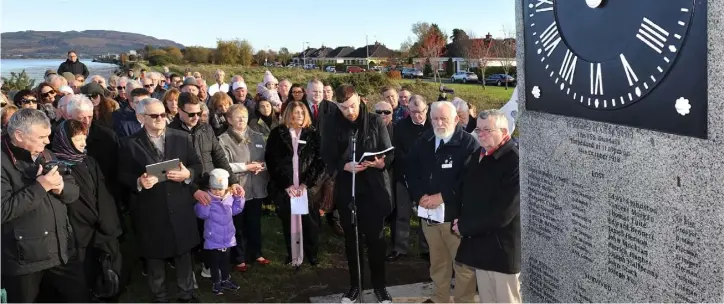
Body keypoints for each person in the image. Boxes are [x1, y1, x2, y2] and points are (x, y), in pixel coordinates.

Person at [117, 98, 203, 303]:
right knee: (154, 256)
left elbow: (197, 165)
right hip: (150, 209)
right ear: (140, 117)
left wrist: (187, 174)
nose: (160, 119)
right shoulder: (129, 143)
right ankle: (160, 297)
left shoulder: (181, 137)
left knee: (183, 253)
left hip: (180, 206)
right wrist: (138, 181)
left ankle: (187, 294)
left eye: (163, 114)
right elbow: (121, 174)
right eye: (154, 115)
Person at [1, 109, 86, 302]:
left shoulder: (46, 154)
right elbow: (3, 210)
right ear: (19, 135)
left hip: (62, 252)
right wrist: (41, 187)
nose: (47, 141)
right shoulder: (2, 161)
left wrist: (60, 188)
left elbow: (74, 192)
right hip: (24, 261)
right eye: (41, 137)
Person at [320, 85, 394, 303]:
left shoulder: (374, 121)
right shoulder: (332, 123)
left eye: (352, 106)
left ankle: (380, 287)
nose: (349, 111)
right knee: (352, 242)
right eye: (343, 108)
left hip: (373, 190)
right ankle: (355, 286)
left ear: (360, 100)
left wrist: (381, 164)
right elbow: (326, 156)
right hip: (348, 190)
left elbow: (389, 153)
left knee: (376, 241)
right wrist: (344, 166)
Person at [405, 101, 479, 303]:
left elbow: (469, 180)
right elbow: (411, 171)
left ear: (456, 119)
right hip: (429, 215)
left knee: (463, 267)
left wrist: (442, 196)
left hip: (456, 218)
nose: (439, 123)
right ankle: (440, 299)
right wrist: (419, 195)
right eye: (435, 118)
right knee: (438, 262)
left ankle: (464, 301)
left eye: (444, 118)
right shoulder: (424, 140)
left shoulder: (469, 144)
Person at [50, 119, 123, 300]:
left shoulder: (89, 161)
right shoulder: (56, 168)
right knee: (83, 278)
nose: (83, 143)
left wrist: (106, 222)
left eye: (84, 138)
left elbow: (102, 193)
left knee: (107, 274)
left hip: (101, 228)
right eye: (77, 139)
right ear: (65, 141)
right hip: (77, 232)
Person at [454, 110, 521, 303]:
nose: (480, 134)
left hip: (502, 251)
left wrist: (465, 226)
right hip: (481, 247)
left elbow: (503, 213)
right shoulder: (479, 154)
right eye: (478, 129)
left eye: (487, 130)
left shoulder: (514, 161)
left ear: (504, 131)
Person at [265, 101, 325, 267]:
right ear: (288, 114)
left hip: (307, 188)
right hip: (287, 188)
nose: (299, 115)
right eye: (295, 112)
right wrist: (287, 184)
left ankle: (312, 254)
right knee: (288, 221)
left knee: (310, 222)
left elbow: (320, 161)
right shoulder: (277, 134)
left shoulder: (313, 134)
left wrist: (307, 184)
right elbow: (272, 160)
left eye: (301, 112)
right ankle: (293, 254)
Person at [218, 104, 271, 271]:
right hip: (237, 189)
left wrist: (263, 166)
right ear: (229, 120)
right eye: (237, 116)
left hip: (256, 187)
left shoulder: (257, 136)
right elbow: (224, 165)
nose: (242, 119)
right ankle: (239, 258)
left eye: (244, 116)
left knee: (254, 222)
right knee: (238, 225)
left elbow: (266, 159)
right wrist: (246, 167)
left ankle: (256, 252)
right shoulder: (223, 140)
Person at [388, 95, 431, 262]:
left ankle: (426, 248)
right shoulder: (401, 127)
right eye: (412, 112)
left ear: (426, 109)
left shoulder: (433, 125)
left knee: (425, 215)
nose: (416, 116)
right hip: (404, 176)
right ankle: (400, 248)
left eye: (420, 112)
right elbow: (397, 152)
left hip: (426, 179)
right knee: (402, 214)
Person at [194, 168, 244, 295]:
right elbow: (201, 215)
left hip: (227, 238)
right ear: (209, 188)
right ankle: (216, 283)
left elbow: (236, 210)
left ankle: (226, 280)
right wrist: (204, 205)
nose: (217, 192)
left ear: (226, 188)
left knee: (226, 261)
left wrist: (239, 199)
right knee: (214, 263)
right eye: (214, 188)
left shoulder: (229, 198)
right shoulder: (207, 199)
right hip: (213, 238)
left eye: (220, 189)